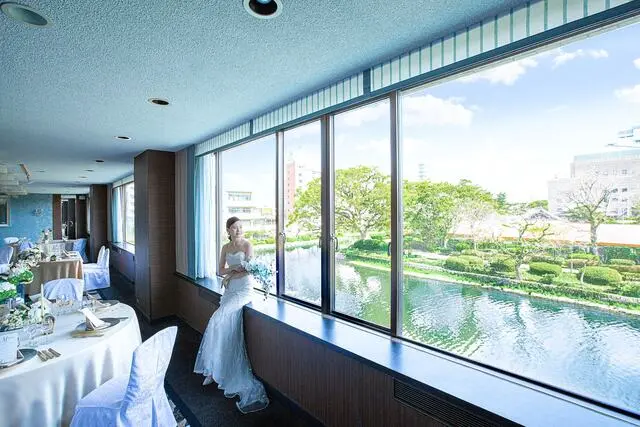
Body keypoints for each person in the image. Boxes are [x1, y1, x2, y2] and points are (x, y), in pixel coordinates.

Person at [193, 216, 269, 413]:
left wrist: (230, 274)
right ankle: (213, 369)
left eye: (240, 227)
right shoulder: (225, 248)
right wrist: (231, 271)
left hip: (243, 291)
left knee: (216, 320)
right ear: (228, 230)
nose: (239, 230)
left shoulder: (248, 245)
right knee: (223, 328)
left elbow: (248, 270)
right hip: (229, 292)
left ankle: (217, 370)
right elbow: (219, 270)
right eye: (234, 228)